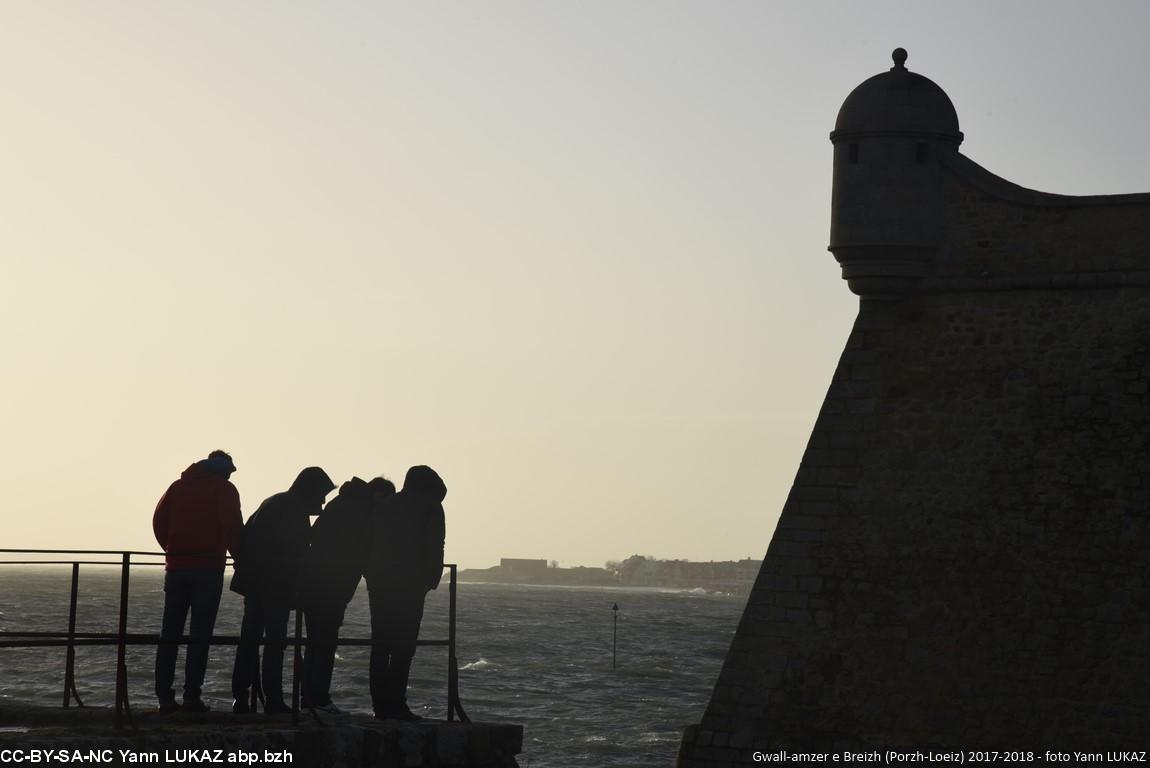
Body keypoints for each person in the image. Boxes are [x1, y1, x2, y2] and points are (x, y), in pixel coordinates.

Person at [229, 466, 335, 714]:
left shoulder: (274, 502)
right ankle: (274, 699)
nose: (322, 501)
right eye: (321, 495)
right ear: (310, 491)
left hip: (255, 584)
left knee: (250, 640)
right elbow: (292, 554)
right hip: (275, 588)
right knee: (275, 643)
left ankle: (241, 697)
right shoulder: (292, 510)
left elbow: (246, 537)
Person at [152, 449, 242, 713]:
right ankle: (192, 696)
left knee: (169, 635)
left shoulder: (178, 487)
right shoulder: (224, 490)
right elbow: (232, 527)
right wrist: (239, 557)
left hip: (177, 568)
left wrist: (172, 550)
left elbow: (159, 521)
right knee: (199, 636)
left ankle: (164, 698)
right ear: (223, 470)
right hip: (208, 569)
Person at [297, 476, 395, 713]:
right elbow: (363, 548)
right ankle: (319, 699)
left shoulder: (340, 502)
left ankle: (308, 698)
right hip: (333, 584)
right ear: (379, 496)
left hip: (313, 580)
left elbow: (315, 535)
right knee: (326, 641)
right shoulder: (362, 512)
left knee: (313, 642)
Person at [364, 466, 446, 720]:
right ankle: (396, 704)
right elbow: (435, 545)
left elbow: (367, 541)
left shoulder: (384, 506)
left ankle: (380, 706)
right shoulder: (431, 507)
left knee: (380, 645)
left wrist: (371, 575)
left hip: (380, 583)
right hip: (410, 586)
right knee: (403, 647)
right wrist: (430, 581)